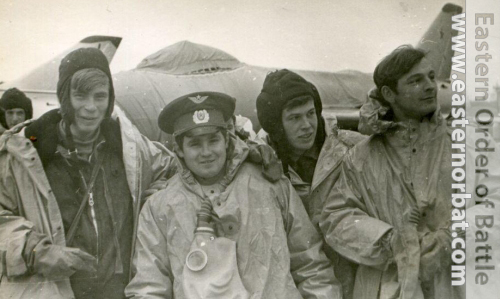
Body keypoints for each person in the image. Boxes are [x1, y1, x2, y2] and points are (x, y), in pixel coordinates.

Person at [125, 91, 342, 299]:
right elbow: (149, 287)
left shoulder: (269, 186)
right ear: (179, 149)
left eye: (213, 140)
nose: (206, 152)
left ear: (227, 141)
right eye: (195, 144)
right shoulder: (159, 207)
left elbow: (311, 265)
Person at [0, 48, 175, 299]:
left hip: (118, 291)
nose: (91, 107)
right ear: (64, 96)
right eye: (80, 95)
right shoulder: (25, 154)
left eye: (100, 96)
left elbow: (173, 170)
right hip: (52, 289)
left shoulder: (130, 149)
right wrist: (34, 250)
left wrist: (154, 197)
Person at [320, 45, 464, 299]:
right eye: (416, 81)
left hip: (453, 284)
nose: (431, 86)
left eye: (431, 76)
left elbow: (493, 204)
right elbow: (336, 217)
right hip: (388, 287)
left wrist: (451, 239)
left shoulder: (463, 145)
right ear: (389, 93)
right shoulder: (361, 157)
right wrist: (390, 241)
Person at [255, 69, 365, 299]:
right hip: (303, 284)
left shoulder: (353, 150)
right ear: (276, 124)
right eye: (294, 118)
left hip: (358, 276)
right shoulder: (261, 165)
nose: (307, 125)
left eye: (310, 113)